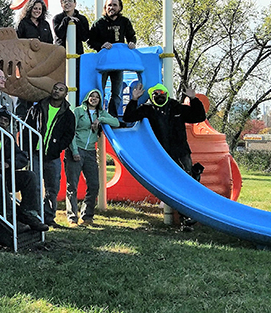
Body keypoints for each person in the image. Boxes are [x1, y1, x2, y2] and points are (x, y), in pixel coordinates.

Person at [123, 82, 207, 177]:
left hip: (180, 153)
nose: (159, 95)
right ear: (151, 96)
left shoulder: (177, 108)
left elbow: (199, 117)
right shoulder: (147, 109)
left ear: (167, 94)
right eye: (156, 93)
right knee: (162, 178)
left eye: (162, 92)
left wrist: (193, 99)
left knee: (186, 177)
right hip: (159, 153)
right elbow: (128, 118)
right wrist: (134, 99)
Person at [0, 107, 49, 234]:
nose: (2, 122)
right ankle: (10, 220)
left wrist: (9, 163)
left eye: (6, 121)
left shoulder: (7, 138)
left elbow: (21, 157)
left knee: (30, 176)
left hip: (2, 175)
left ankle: (29, 214)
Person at [24, 82, 76, 226]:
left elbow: (69, 135)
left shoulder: (68, 115)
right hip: (35, 153)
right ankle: (34, 216)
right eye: (55, 88)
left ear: (65, 94)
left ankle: (48, 217)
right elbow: (26, 128)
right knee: (34, 185)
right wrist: (26, 149)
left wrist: (57, 147)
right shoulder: (37, 108)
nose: (57, 91)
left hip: (53, 156)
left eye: (61, 90)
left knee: (52, 188)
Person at [64, 89, 118, 226]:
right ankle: (72, 217)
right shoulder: (78, 111)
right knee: (72, 185)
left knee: (94, 184)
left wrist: (100, 120)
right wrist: (74, 150)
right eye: (91, 96)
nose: (94, 99)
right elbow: (71, 131)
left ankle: (87, 216)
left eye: (97, 97)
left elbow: (116, 122)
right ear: (87, 98)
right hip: (76, 148)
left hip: (90, 151)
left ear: (100, 100)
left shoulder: (101, 113)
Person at [87, 0, 137, 116]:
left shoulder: (124, 22)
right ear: (105, 7)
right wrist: (101, 45)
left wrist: (132, 43)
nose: (111, 7)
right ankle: (98, 115)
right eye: (109, 5)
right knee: (100, 90)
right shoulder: (99, 23)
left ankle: (112, 117)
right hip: (103, 63)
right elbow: (90, 41)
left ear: (119, 7)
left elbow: (132, 36)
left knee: (117, 92)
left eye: (115, 5)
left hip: (118, 63)